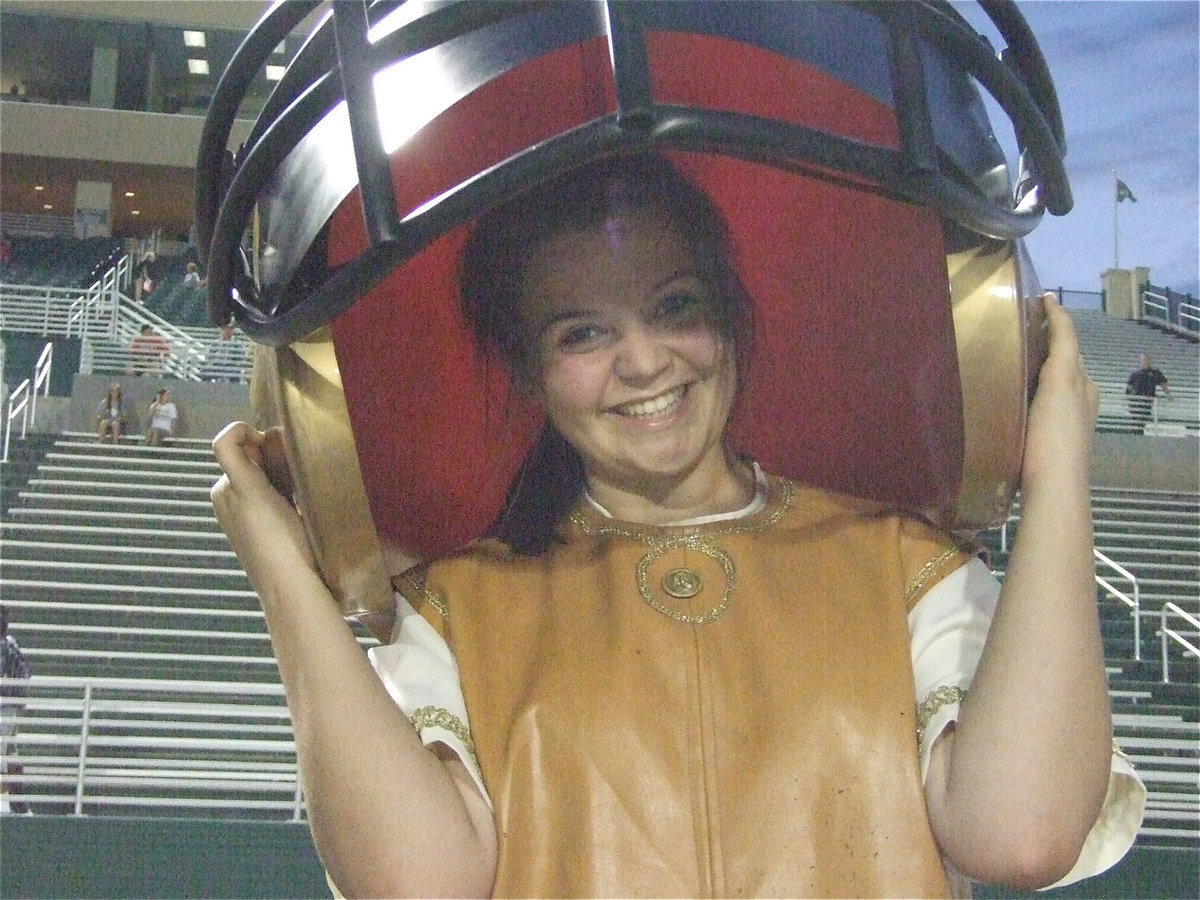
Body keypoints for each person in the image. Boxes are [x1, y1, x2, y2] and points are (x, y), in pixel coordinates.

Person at [211, 154, 1142, 898]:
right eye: (582, 333)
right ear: (529, 373)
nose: (644, 361)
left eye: (673, 308)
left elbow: (1021, 834)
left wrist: (1058, 466)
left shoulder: (901, 564)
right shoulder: (458, 606)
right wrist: (288, 585)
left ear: (728, 317)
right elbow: (415, 886)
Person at [1, 604, 32, 815]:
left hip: (4, 708)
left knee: (5, 756)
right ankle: (20, 806)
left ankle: (9, 804)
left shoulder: (5, 647)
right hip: (11, 707)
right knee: (11, 754)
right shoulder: (12, 644)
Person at [1125, 352, 1171, 424]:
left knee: (1145, 418)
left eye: (1146, 360)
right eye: (1143, 360)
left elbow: (1163, 384)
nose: (1144, 362)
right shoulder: (1135, 374)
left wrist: (1168, 394)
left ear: (1149, 361)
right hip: (1136, 400)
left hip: (1148, 400)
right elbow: (1128, 386)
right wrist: (1125, 398)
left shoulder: (1155, 373)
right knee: (1135, 420)